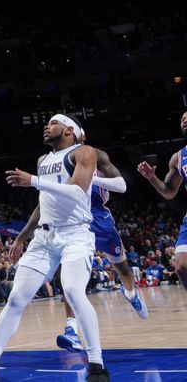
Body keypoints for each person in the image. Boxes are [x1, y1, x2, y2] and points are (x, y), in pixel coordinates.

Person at [0, 114, 109, 382]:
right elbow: (44, 203)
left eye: (53, 122)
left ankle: (97, 366)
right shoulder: (42, 161)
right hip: (44, 237)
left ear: (69, 130)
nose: (46, 126)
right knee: (16, 298)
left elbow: (77, 190)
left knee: (73, 291)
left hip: (76, 234)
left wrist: (34, 181)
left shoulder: (84, 152)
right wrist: (22, 236)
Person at [56, 137, 148, 353]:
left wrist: (89, 178)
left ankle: (131, 293)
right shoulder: (57, 160)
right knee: (70, 272)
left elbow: (121, 185)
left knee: (122, 267)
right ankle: (72, 329)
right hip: (75, 217)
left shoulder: (98, 155)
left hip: (99, 217)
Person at [137, 110, 187, 290]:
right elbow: (169, 191)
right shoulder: (179, 157)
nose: (184, 121)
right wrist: (151, 177)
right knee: (181, 266)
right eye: (182, 119)